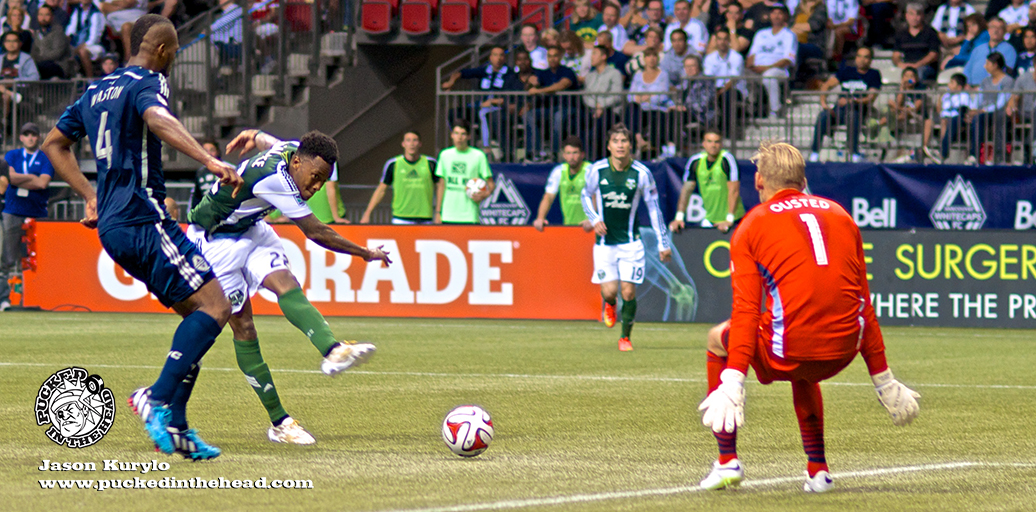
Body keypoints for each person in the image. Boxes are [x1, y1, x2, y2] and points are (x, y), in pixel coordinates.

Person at [41, 14, 243, 460]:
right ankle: (155, 398)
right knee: (217, 307)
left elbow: (54, 143)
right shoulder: (149, 81)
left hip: (113, 226)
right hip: (145, 216)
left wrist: (90, 195)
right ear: (164, 51)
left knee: (197, 318)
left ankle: (179, 426)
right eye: (173, 53)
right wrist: (206, 161)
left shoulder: (95, 90)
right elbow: (157, 118)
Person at [696, 140, 920, 493]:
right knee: (803, 339)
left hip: (789, 353)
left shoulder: (751, 225)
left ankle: (727, 462)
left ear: (758, 182)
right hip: (842, 352)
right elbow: (864, 303)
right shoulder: (841, 215)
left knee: (717, 337)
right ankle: (818, 471)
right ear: (802, 180)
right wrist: (884, 379)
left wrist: (733, 381)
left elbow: (746, 312)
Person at [187, 128, 389, 445]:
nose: (317, 186)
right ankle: (280, 424)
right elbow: (317, 231)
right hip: (213, 241)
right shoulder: (276, 180)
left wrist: (254, 135)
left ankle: (333, 350)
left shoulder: (295, 151)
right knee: (244, 328)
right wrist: (365, 253)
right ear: (297, 164)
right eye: (315, 176)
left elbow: (271, 142)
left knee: (285, 283)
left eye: (323, 180)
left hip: (250, 228)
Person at [580, 123, 672, 352]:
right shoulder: (596, 170)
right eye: (616, 142)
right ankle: (610, 305)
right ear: (609, 146)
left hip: (631, 242)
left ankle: (625, 337)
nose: (620, 146)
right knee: (609, 291)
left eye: (624, 141)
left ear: (631, 145)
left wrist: (663, 243)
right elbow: (585, 194)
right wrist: (594, 218)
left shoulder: (642, 173)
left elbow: (654, 209)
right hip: (604, 243)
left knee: (628, 291)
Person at [0, 122, 52, 310]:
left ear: (38, 137)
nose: (30, 137)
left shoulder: (45, 157)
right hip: (13, 210)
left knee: (39, 257)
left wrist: (21, 178)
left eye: (33, 134)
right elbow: (10, 177)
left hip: (36, 212)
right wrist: (31, 177)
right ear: (21, 137)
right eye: (26, 134)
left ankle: (38, 296)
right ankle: (5, 299)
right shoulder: (12, 155)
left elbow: (43, 183)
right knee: (7, 256)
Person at [808, 47, 882, 162]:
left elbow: (871, 97)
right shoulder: (847, 71)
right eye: (859, 56)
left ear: (871, 60)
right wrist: (824, 103)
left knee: (853, 116)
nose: (862, 60)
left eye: (866, 57)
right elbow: (827, 85)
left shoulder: (874, 74)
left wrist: (853, 101)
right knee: (823, 116)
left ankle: (854, 153)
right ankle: (814, 152)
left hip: (859, 110)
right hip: (839, 110)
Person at [670, 130, 743, 234]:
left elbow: (734, 190)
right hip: (710, 219)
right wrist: (679, 217)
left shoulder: (727, 159)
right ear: (703, 144)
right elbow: (686, 190)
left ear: (721, 144)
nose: (713, 145)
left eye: (716, 142)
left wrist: (729, 220)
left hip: (733, 220)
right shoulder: (695, 161)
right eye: (709, 141)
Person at [360, 130, 439, 224]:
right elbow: (381, 190)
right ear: (403, 144)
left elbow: (440, 187)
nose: (412, 144)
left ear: (420, 144)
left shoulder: (431, 163)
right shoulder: (393, 164)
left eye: (415, 140)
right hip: (401, 218)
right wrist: (367, 213)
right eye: (408, 140)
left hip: (425, 218)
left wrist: (438, 212)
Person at [434, 119, 494, 224]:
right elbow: (441, 185)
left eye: (463, 134)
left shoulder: (478, 155)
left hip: (469, 216)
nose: (459, 137)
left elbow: (491, 183)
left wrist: (485, 194)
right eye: (456, 133)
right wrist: (438, 212)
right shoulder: (444, 155)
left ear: (469, 136)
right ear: (452, 135)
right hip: (448, 215)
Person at [747, 4, 798, 119]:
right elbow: (752, 55)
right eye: (774, 13)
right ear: (770, 16)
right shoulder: (761, 33)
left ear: (785, 16)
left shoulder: (789, 35)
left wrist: (765, 68)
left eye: (780, 13)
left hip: (779, 70)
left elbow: (787, 60)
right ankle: (748, 111)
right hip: (757, 68)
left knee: (769, 76)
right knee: (741, 76)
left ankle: (775, 110)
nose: (776, 16)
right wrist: (751, 66)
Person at [534, 136, 592, 232]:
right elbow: (548, 197)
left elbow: (597, 196)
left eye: (575, 153)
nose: (571, 157)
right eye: (568, 153)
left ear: (582, 154)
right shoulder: (559, 171)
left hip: (590, 227)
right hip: (569, 227)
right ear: (564, 155)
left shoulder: (590, 170)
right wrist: (540, 218)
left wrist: (592, 219)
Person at [967, 52, 1014, 164]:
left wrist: (982, 110)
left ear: (995, 65)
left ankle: (999, 156)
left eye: (987, 63)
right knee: (975, 119)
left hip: (998, 112)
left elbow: (1001, 102)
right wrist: (973, 109)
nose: (985, 66)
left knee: (998, 119)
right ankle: (974, 155)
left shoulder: (1007, 81)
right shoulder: (985, 81)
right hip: (983, 112)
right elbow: (979, 97)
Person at [922, 72, 969, 163]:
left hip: (956, 119)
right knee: (928, 121)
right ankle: (924, 149)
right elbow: (940, 109)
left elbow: (961, 110)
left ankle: (942, 152)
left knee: (945, 122)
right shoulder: (946, 96)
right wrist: (940, 100)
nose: (948, 85)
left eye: (952, 83)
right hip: (943, 117)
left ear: (959, 87)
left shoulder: (964, 96)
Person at [893, 3, 941, 82]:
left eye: (918, 14)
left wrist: (917, 65)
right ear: (906, 16)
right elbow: (896, 55)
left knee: (916, 74)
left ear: (922, 16)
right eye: (911, 14)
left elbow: (933, 55)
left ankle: (915, 94)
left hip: (925, 67)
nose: (914, 18)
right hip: (906, 66)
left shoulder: (930, 33)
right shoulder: (901, 34)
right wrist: (900, 64)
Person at [964, 17, 1016, 85]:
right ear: (988, 30)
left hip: (995, 88)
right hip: (973, 88)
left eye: (999, 28)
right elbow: (967, 69)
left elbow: (1007, 71)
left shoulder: (1009, 49)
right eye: (993, 27)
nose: (996, 30)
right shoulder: (978, 48)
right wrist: (967, 85)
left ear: (1004, 31)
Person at [31, 5, 72, 79]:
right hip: (40, 64)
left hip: (58, 65)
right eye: (41, 15)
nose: (43, 18)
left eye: (47, 15)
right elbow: (34, 52)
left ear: (52, 17)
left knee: (37, 67)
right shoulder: (36, 33)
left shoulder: (58, 32)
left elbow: (57, 53)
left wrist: (40, 58)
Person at [66, 0, 105, 78]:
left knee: (82, 51)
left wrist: (82, 46)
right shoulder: (77, 10)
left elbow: (94, 37)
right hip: (78, 43)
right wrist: (67, 38)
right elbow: (71, 29)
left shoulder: (96, 13)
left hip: (95, 45)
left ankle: (89, 78)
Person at [189, 139, 222, 210]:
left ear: (218, 151)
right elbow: (196, 196)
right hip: (207, 210)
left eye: (212, 150)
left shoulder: (228, 168)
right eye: (205, 151)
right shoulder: (200, 172)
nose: (209, 153)